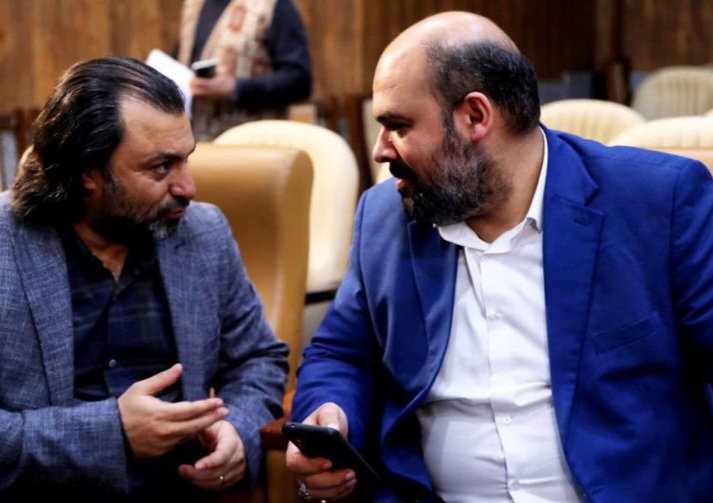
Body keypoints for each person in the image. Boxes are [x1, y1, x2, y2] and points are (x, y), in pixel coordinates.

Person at [285, 11, 713, 503]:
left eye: (397, 126)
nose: (380, 151)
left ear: (475, 117)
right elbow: (342, 353)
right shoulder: (386, 216)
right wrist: (333, 411)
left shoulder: (657, 201)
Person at [0, 56, 289, 502]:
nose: (188, 188)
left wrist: (237, 431)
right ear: (87, 172)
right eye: (160, 167)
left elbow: (258, 358)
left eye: (186, 160)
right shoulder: (7, 247)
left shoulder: (204, 233)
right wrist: (111, 433)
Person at [176, 0, 313, 140]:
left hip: (253, 142)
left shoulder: (272, 5)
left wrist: (236, 87)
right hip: (198, 141)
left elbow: (300, 81)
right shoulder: (194, 5)